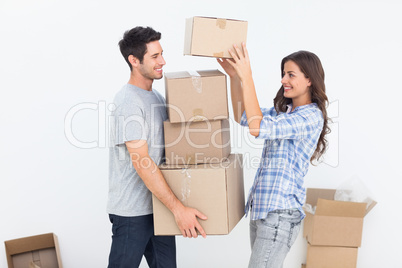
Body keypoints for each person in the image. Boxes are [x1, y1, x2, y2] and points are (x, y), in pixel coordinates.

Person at [217, 44, 330, 268]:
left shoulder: (311, 117)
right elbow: (244, 117)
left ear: (309, 80)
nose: (283, 80)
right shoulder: (284, 112)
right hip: (263, 210)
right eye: (283, 74)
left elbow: (257, 128)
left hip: (280, 213)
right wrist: (234, 77)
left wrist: (247, 76)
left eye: (291, 75)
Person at [107, 26, 207, 268]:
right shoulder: (128, 102)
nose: (163, 61)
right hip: (132, 212)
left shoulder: (157, 98)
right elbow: (142, 161)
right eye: (154, 56)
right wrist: (178, 209)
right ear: (134, 60)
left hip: (158, 207)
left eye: (161, 53)